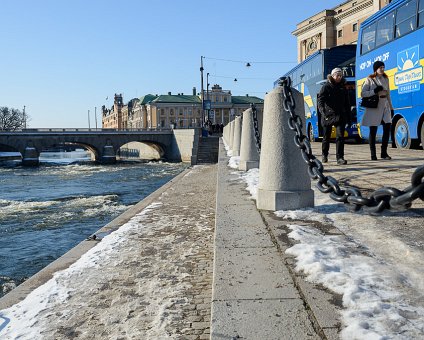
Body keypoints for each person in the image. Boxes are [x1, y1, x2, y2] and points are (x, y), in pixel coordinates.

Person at [317, 67, 351, 165]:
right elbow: (321, 101)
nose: (339, 77)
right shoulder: (326, 87)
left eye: (340, 75)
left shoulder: (343, 87)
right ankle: (324, 155)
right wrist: (323, 112)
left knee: (340, 137)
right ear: (332, 76)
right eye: (337, 75)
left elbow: (347, 104)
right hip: (328, 115)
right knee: (326, 137)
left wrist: (349, 118)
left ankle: (340, 157)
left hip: (340, 116)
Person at [361, 60, 394, 160]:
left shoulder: (386, 78)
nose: (382, 69)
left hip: (385, 105)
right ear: (376, 69)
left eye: (383, 67)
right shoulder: (370, 79)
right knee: (373, 129)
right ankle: (373, 154)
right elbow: (363, 93)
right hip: (375, 105)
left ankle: (384, 152)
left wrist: (391, 108)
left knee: (387, 127)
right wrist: (374, 91)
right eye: (380, 68)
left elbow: (388, 94)